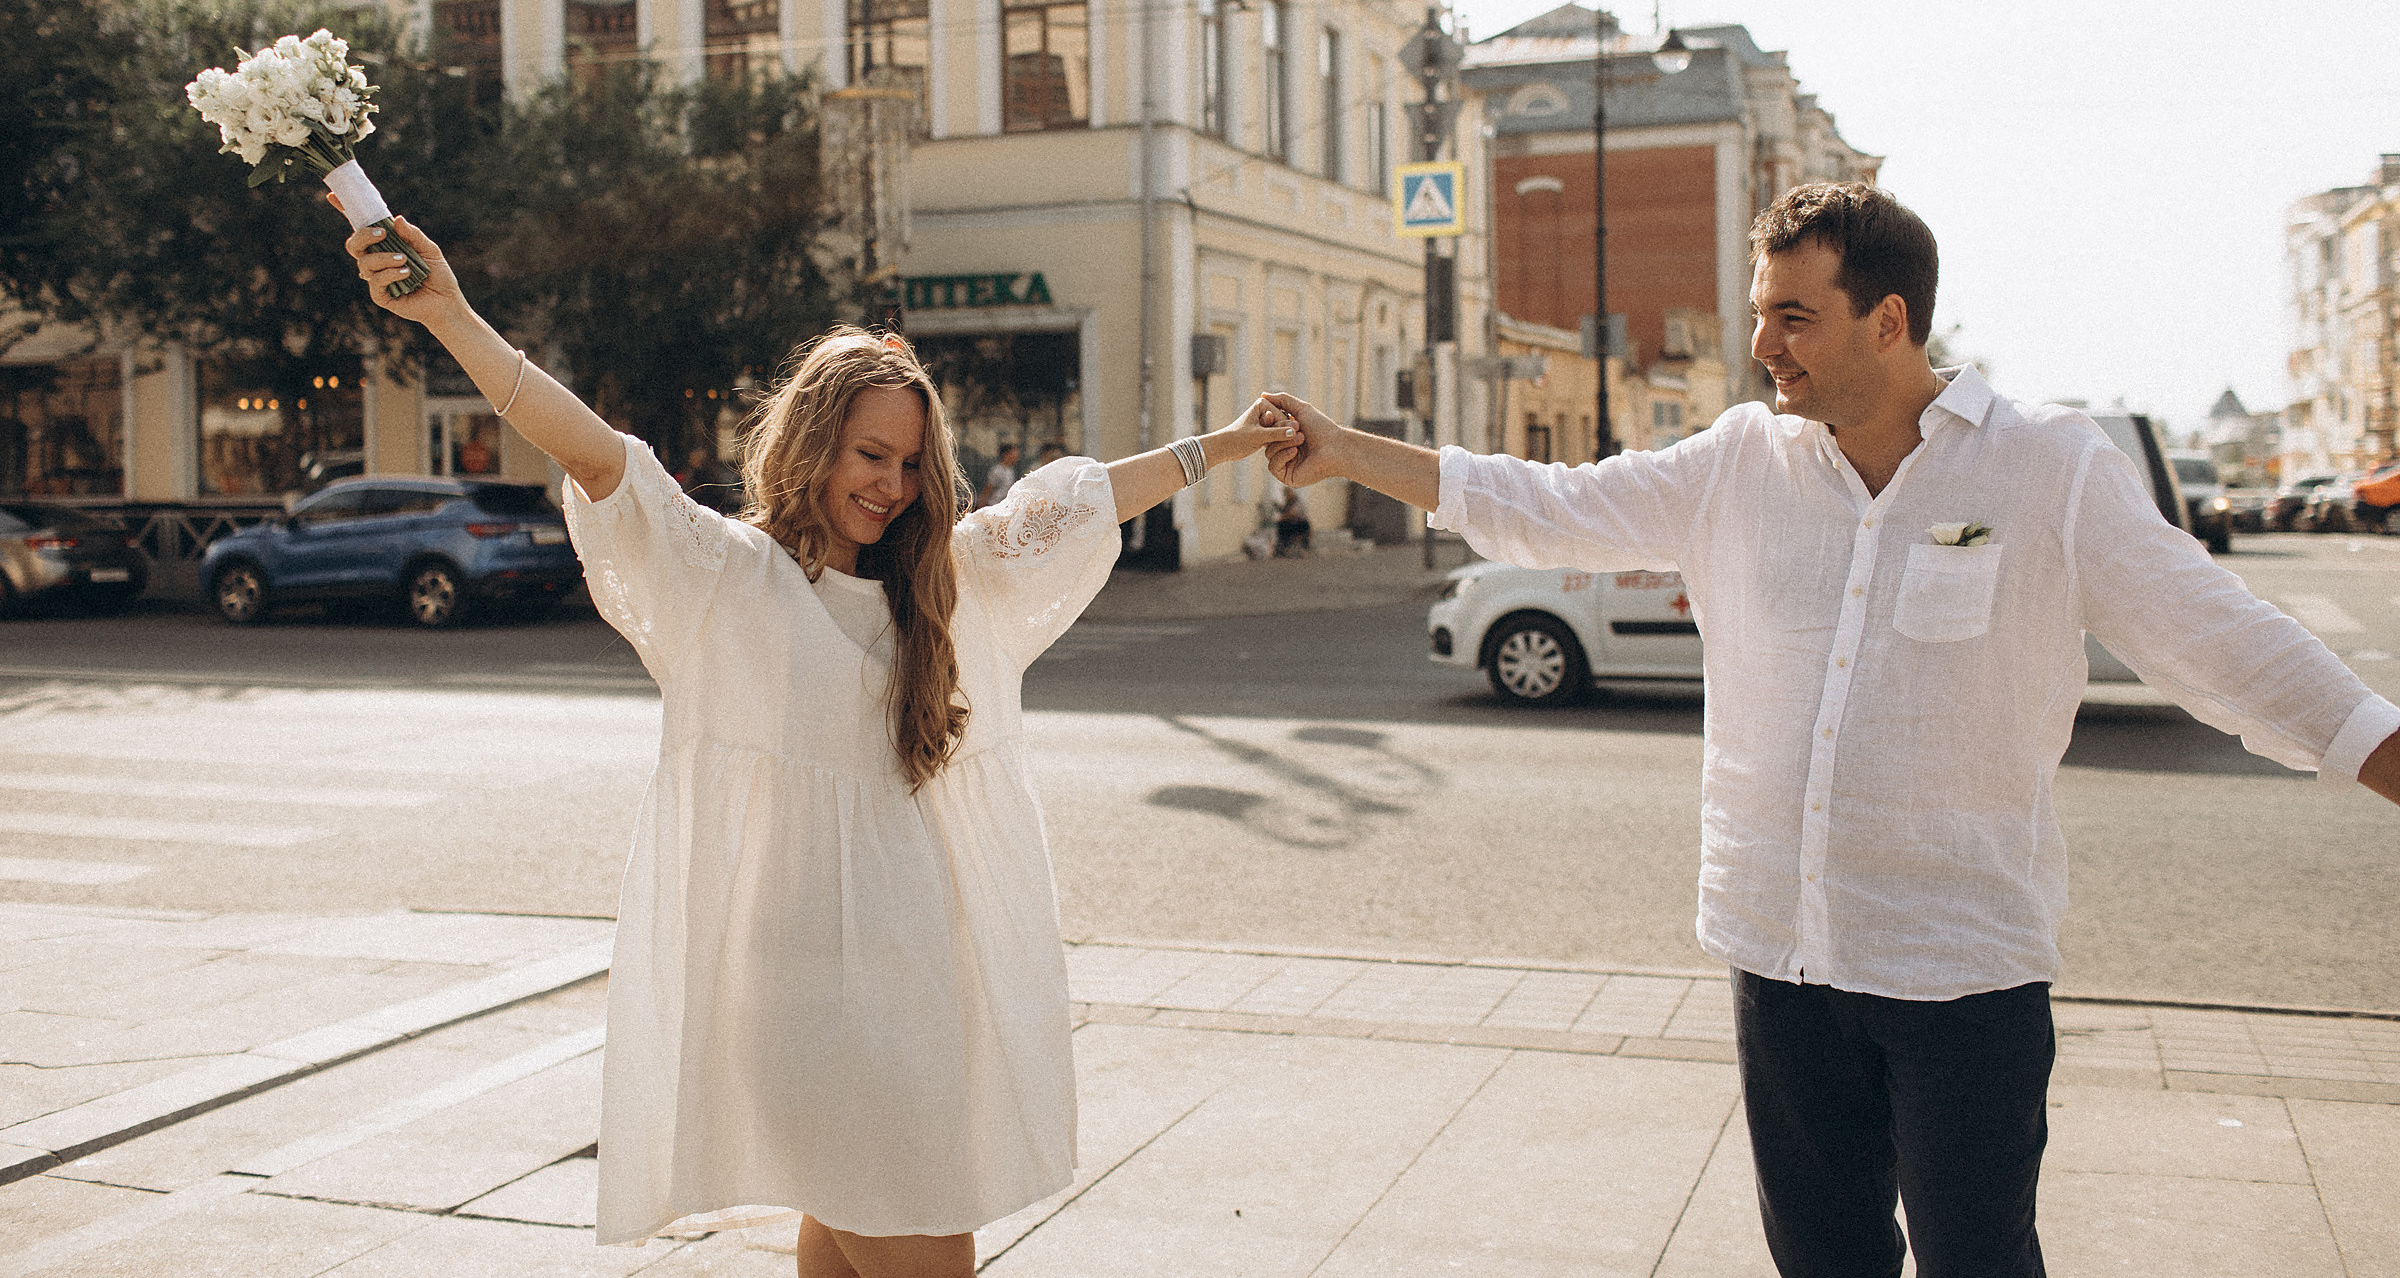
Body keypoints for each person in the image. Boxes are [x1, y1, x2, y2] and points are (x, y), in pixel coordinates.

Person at [1260, 181, 2400, 1278]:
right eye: (1761, 312)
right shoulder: (1737, 463)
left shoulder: (2044, 468)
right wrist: (1345, 448)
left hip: (1960, 971)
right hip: (1782, 958)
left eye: (1794, 316)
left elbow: (2224, 640)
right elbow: (1546, 507)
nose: (1764, 343)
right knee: (1821, 1260)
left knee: (1979, 1262)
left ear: (1888, 320)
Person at [340, 207, 1296, 1278]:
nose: (891, 485)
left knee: (842, 1248)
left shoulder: (950, 580)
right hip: (806, 998)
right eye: (870, 455)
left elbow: (1084, 501)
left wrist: (1232, 443)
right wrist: (451, 315)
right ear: (811, 445)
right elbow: (598, 455)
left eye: (911, 463)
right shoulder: (731, 579)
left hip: (917, 994)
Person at [975, 442, 1019, 510]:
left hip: (1004, 506)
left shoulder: (1010, 471)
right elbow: (988, 489)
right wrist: (981, 506)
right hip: (993, 506)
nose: (1016, 457)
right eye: (1014, 454)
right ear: (1006, 455)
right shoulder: (997, 470)